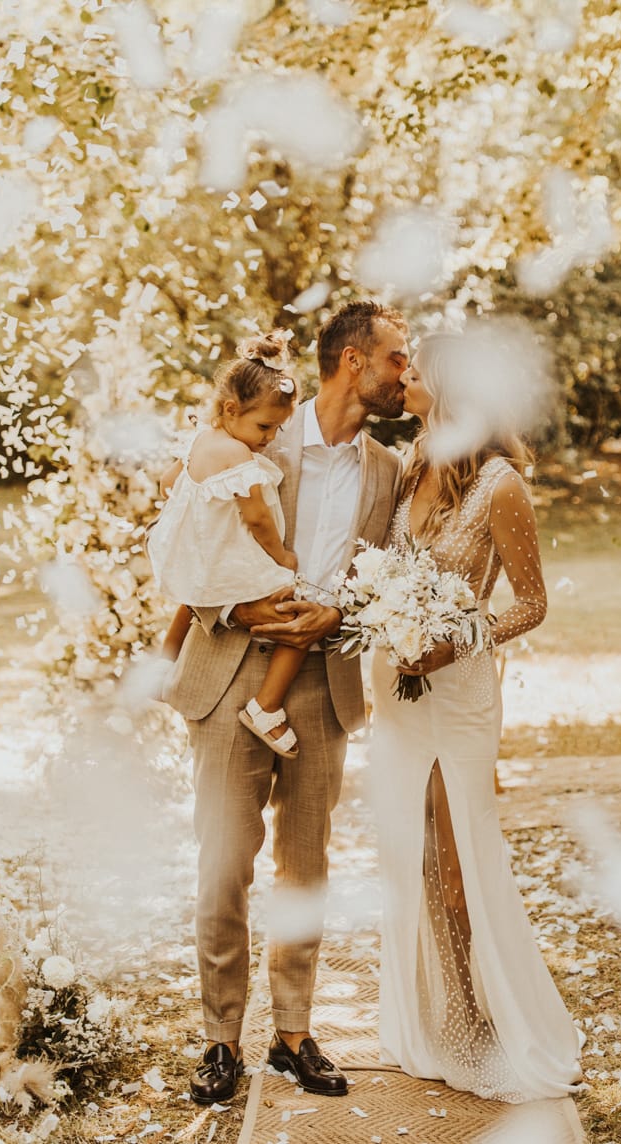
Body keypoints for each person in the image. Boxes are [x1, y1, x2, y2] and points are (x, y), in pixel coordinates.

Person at [162, 301, 409, 1104]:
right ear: (352, 362)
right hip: (234, 669)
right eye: (394, 359)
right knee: (222, 866)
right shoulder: (252, 438)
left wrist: (343, 613)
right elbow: (188, 545)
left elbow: (391, 582)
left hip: (323, 679)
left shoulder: (387, 472)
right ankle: (220, 1040)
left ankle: (293, 1034)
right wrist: (234, 611)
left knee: (305, 866)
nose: (403, 375)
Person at [369, 331, 583, 1102]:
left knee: (459, 852)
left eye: (415, 372)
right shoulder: (414, 466)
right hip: (395, 693)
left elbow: (530, 604)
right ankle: (434, 1014)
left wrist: (453, 640)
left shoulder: (500, 486)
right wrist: (390, 625)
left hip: (457, 696)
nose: (404, 380)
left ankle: (484, 1021)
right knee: (412, 852)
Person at [149, 332, 305, 758]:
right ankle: (266, 707)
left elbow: (167, 483)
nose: (270, 437)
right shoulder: (236, 456)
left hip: (203, 552)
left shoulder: (201, 440)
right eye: (264, 426)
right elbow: (257, 518)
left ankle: (164, 661)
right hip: (234, 554)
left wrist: (197, 515)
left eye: (277, 428)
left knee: (195, 593)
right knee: (295, 615)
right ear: (231, 409)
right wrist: (282, 558)